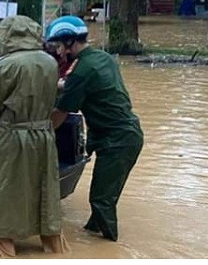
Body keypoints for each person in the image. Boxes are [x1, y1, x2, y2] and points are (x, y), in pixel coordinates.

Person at [0, 15, 66, 257]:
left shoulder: (7, 65)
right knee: (43, 187)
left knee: (5, 189)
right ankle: (53, 242)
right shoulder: (50, 62)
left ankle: (7, 245)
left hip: (12, 136)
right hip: (43, 135)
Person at [49, 16, 143, 242]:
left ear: (70, 42)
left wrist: (35, 133)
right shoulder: (103, 58)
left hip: (116, 141)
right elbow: (82, 85)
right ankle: (93, 236)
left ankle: (110, 249)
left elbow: (60, 116)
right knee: (104, 197)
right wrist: (61, 84)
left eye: (59, 46)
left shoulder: (81, 71)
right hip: (127, 134)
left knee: (101, 200)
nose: (59, 53)